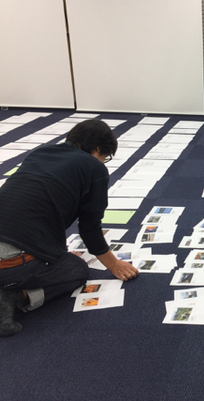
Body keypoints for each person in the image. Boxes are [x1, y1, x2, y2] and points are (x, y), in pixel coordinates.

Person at [0, 119, 139, 336]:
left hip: (12, 247)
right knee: (77, 270)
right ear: (98, 149)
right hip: (12, 263)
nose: (104, 161)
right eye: (105, 156)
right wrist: (114, 265)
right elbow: (90, 228)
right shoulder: (95, 168)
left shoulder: (40, 152)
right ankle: (14, 296)